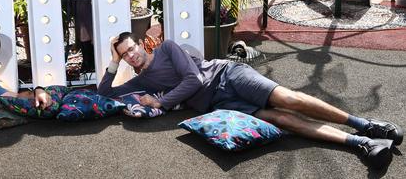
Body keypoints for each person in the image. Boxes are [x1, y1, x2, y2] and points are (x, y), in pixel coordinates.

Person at [98, 32, 403, 168]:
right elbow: (105, 94)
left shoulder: (168, 49)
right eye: (124, 53)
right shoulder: (139, 80)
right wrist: (113, 62)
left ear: (141, 44)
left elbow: (194, 80)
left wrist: (161, 103)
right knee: (280, 119)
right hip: (218, 105)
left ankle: (365, 125)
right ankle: (361, 143)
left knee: (289, 99)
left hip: (227, 75)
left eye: (131, 48)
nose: (131, 54)